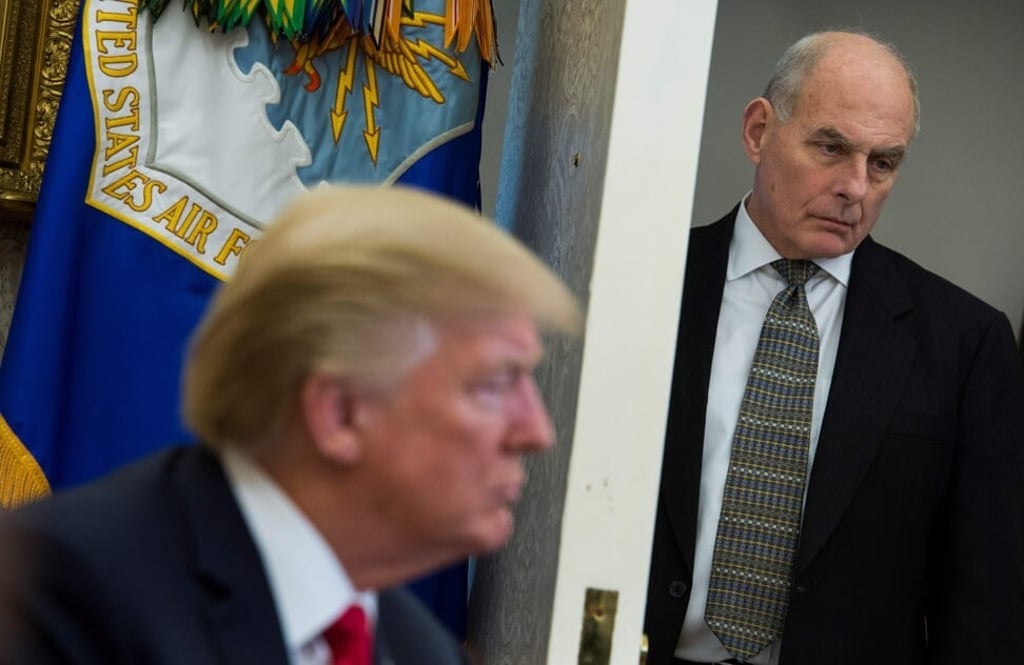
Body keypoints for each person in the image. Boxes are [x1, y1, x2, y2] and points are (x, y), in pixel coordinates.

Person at [0, 185, 582, 664]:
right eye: (494, 385)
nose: (536, 431)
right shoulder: (59, 585)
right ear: (340, 413)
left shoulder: (421, 650)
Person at [644, 29, 1024, 665]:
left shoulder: (966, 343)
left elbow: (985, 603)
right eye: (831, 147)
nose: (855, 186)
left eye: (883, 163)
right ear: (758, 131)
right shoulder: (643, 284)